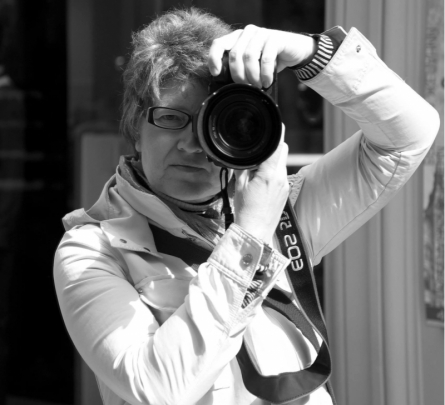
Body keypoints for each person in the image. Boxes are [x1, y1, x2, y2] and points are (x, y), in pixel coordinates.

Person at [53, 7, 439, 405]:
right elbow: (157, 389)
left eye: (212, 123)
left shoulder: (281, 211)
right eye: (171, 118)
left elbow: (408, 136)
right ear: (136, 126)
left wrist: (311, 54)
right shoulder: (92, 250)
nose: (190, 144)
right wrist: (251, 235)